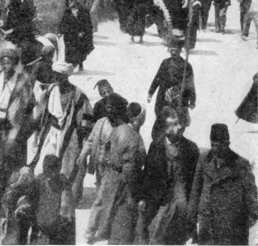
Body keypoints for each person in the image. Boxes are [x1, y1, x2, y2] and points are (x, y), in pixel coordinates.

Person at [32, 61, 93, 244]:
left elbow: (85, 120)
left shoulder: (78, 95)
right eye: (55, 76)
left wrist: (82, 141)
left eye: (61, 76)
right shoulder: (50, 90)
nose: (58, 79)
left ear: (67, 77)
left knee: (66, 173)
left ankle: (63, 211)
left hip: (69, 135)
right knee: (42, 169)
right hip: (51, 133)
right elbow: (41, 111)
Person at [188, 124, 258, 245]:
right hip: (208, 224)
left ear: (227, 143)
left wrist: (244, 223)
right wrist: (191, 220)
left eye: (220, 146)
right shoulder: (204, 159)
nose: (215, 150)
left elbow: (252, 197)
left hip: (231, 228)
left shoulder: (241, 164)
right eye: (213, 145)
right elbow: (195, 190)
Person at [139, 106, 199, 245]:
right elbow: (147, 174)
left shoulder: (191, 148)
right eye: (174, 124)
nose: (180, 127)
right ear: (165, 128)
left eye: (179, 123)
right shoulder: (156, 146)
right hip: (160, 203)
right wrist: (143, 197)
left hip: (181, 206)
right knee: (156, 236)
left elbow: (196, 181)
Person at [94, 93, 146, 245]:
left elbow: (106, 157)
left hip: (113, 185)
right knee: (123, 233)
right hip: (125, 191)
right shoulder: (132, 136)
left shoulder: (117, 130)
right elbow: (130, 169)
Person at [147, 38, 196, 140]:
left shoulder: (186, 66)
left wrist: (192, 100)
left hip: (179, 98)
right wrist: (150, 92)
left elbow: (191, 85)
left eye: (175, 50)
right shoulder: (165, 63)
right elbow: (157, 78)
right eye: (171, 50)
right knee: (162, 119)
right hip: (163, 98)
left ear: (180, 50)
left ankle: (175, 140)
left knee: (178, 122)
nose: (173, 52)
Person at [31, 154, 70, 244]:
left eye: (55, 170)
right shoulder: (39, 181)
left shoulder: (62, 181)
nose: (53, 174)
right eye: (50, 170)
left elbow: (66, 205)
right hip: (42, 227)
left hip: (53, 227)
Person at [58, 0, 94, 71]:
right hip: (69, 35)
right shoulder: (67, 11)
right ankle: (68, 66)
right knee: (68, 50)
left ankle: (80, 63)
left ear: (77, 0)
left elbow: (88, 24)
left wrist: (83, 32)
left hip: (79, 35)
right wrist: (60, 31)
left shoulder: (83, 10)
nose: (69, 1)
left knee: (79, 50)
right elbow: (63, 22)